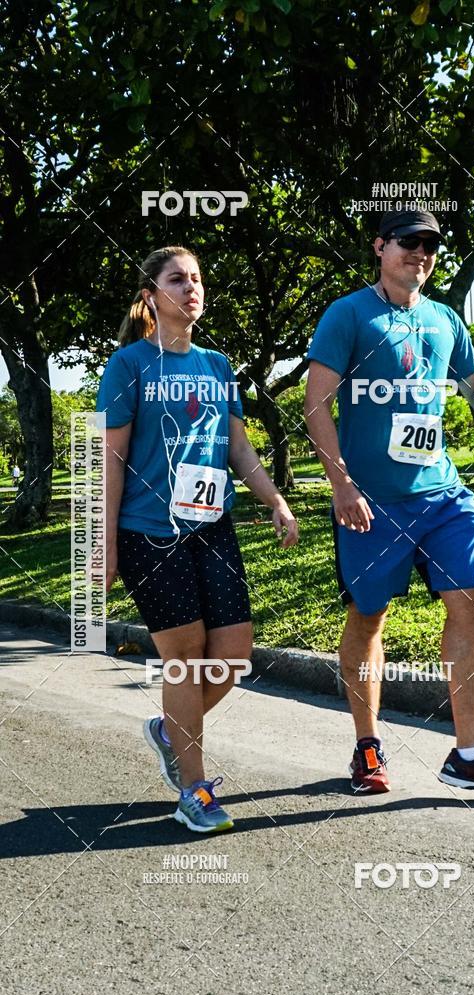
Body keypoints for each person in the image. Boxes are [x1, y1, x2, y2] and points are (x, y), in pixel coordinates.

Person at [304, 209, 474, 800]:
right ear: (380, 247)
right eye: (409, 242)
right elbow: (315, 407)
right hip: (372, 502)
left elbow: (473, 392)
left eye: (431, 246)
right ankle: (368, 743)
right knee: (369, 616)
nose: (421, 254)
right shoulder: (348, 314)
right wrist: (342, 484)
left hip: (441, 492)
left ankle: (471, 752)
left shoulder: (445, 319)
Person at [97, 245, 298, 833]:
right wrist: (104, 544)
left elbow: (238, 448)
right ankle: (194, 789)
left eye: (197, 279)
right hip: (149, 532)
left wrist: (275, 498)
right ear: (150, 295)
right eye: (177, 280)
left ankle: (168, 731)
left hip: (212, 527)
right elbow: (111, 458)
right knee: (184, 660)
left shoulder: (217, 364)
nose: (191, 289)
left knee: (233, 655)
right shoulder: (129, 365)